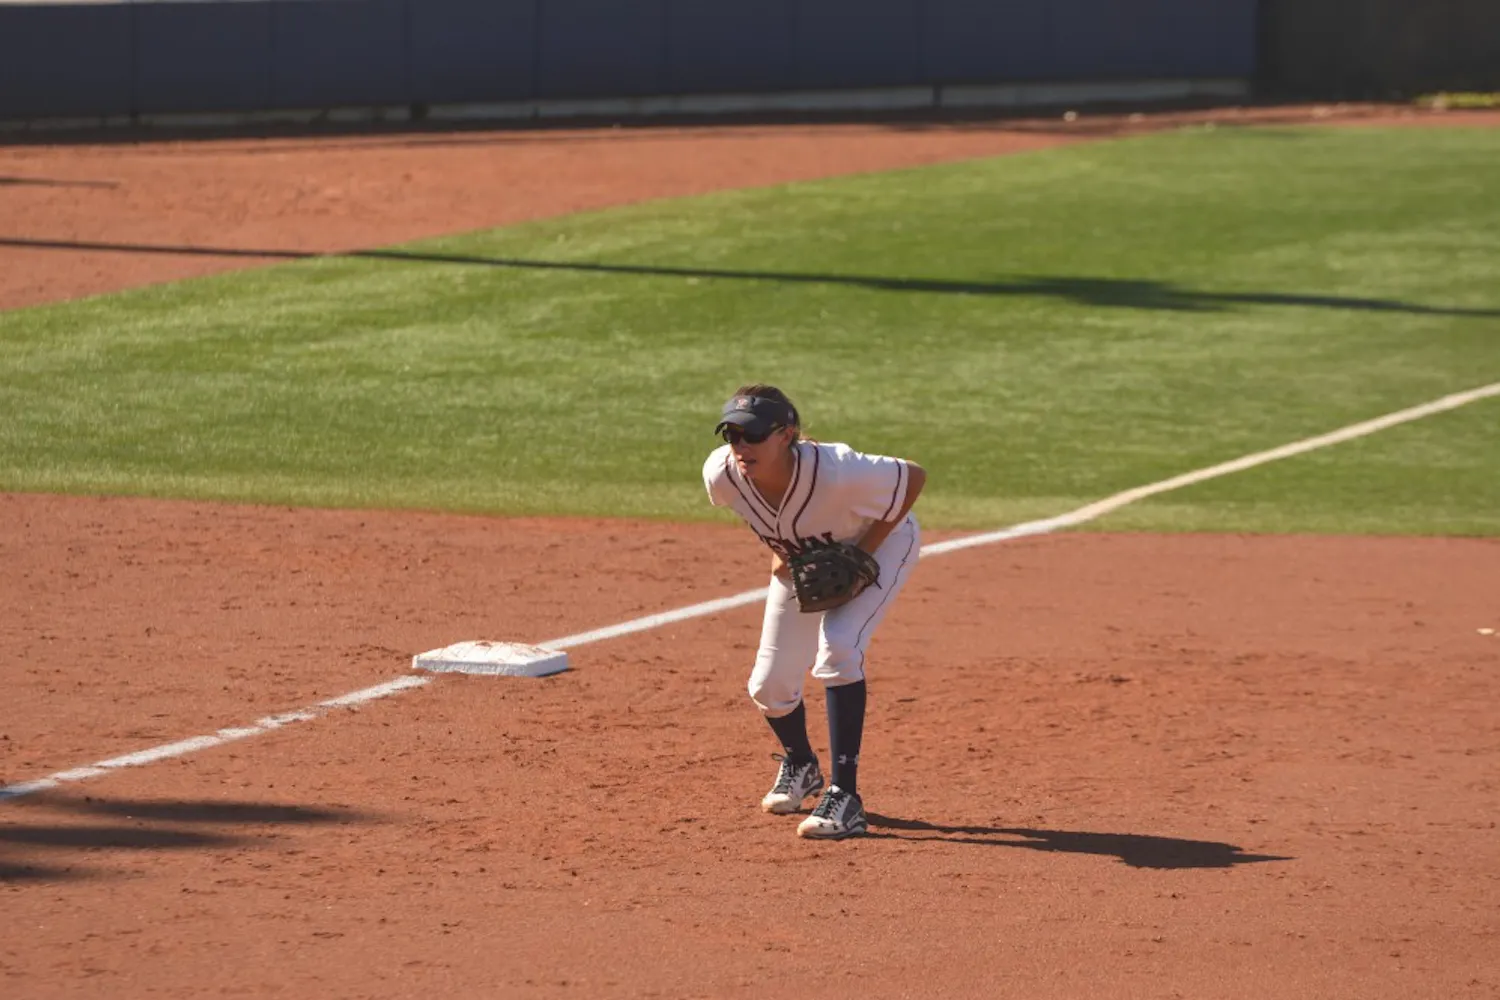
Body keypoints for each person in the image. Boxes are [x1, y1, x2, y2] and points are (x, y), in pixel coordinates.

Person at [702, 384, 925, 839]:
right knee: (769, 684)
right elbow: (758, 516)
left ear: (787, 435)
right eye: (732, 435)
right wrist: (780, 550)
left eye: (752, 434)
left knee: (838, 649)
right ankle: (802, 764)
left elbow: (913, 477)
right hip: (807, 560)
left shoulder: (839, 471)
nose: (740, 446)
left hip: (880, 546)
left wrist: (863, 555)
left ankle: (846, 797)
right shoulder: (721, 475)